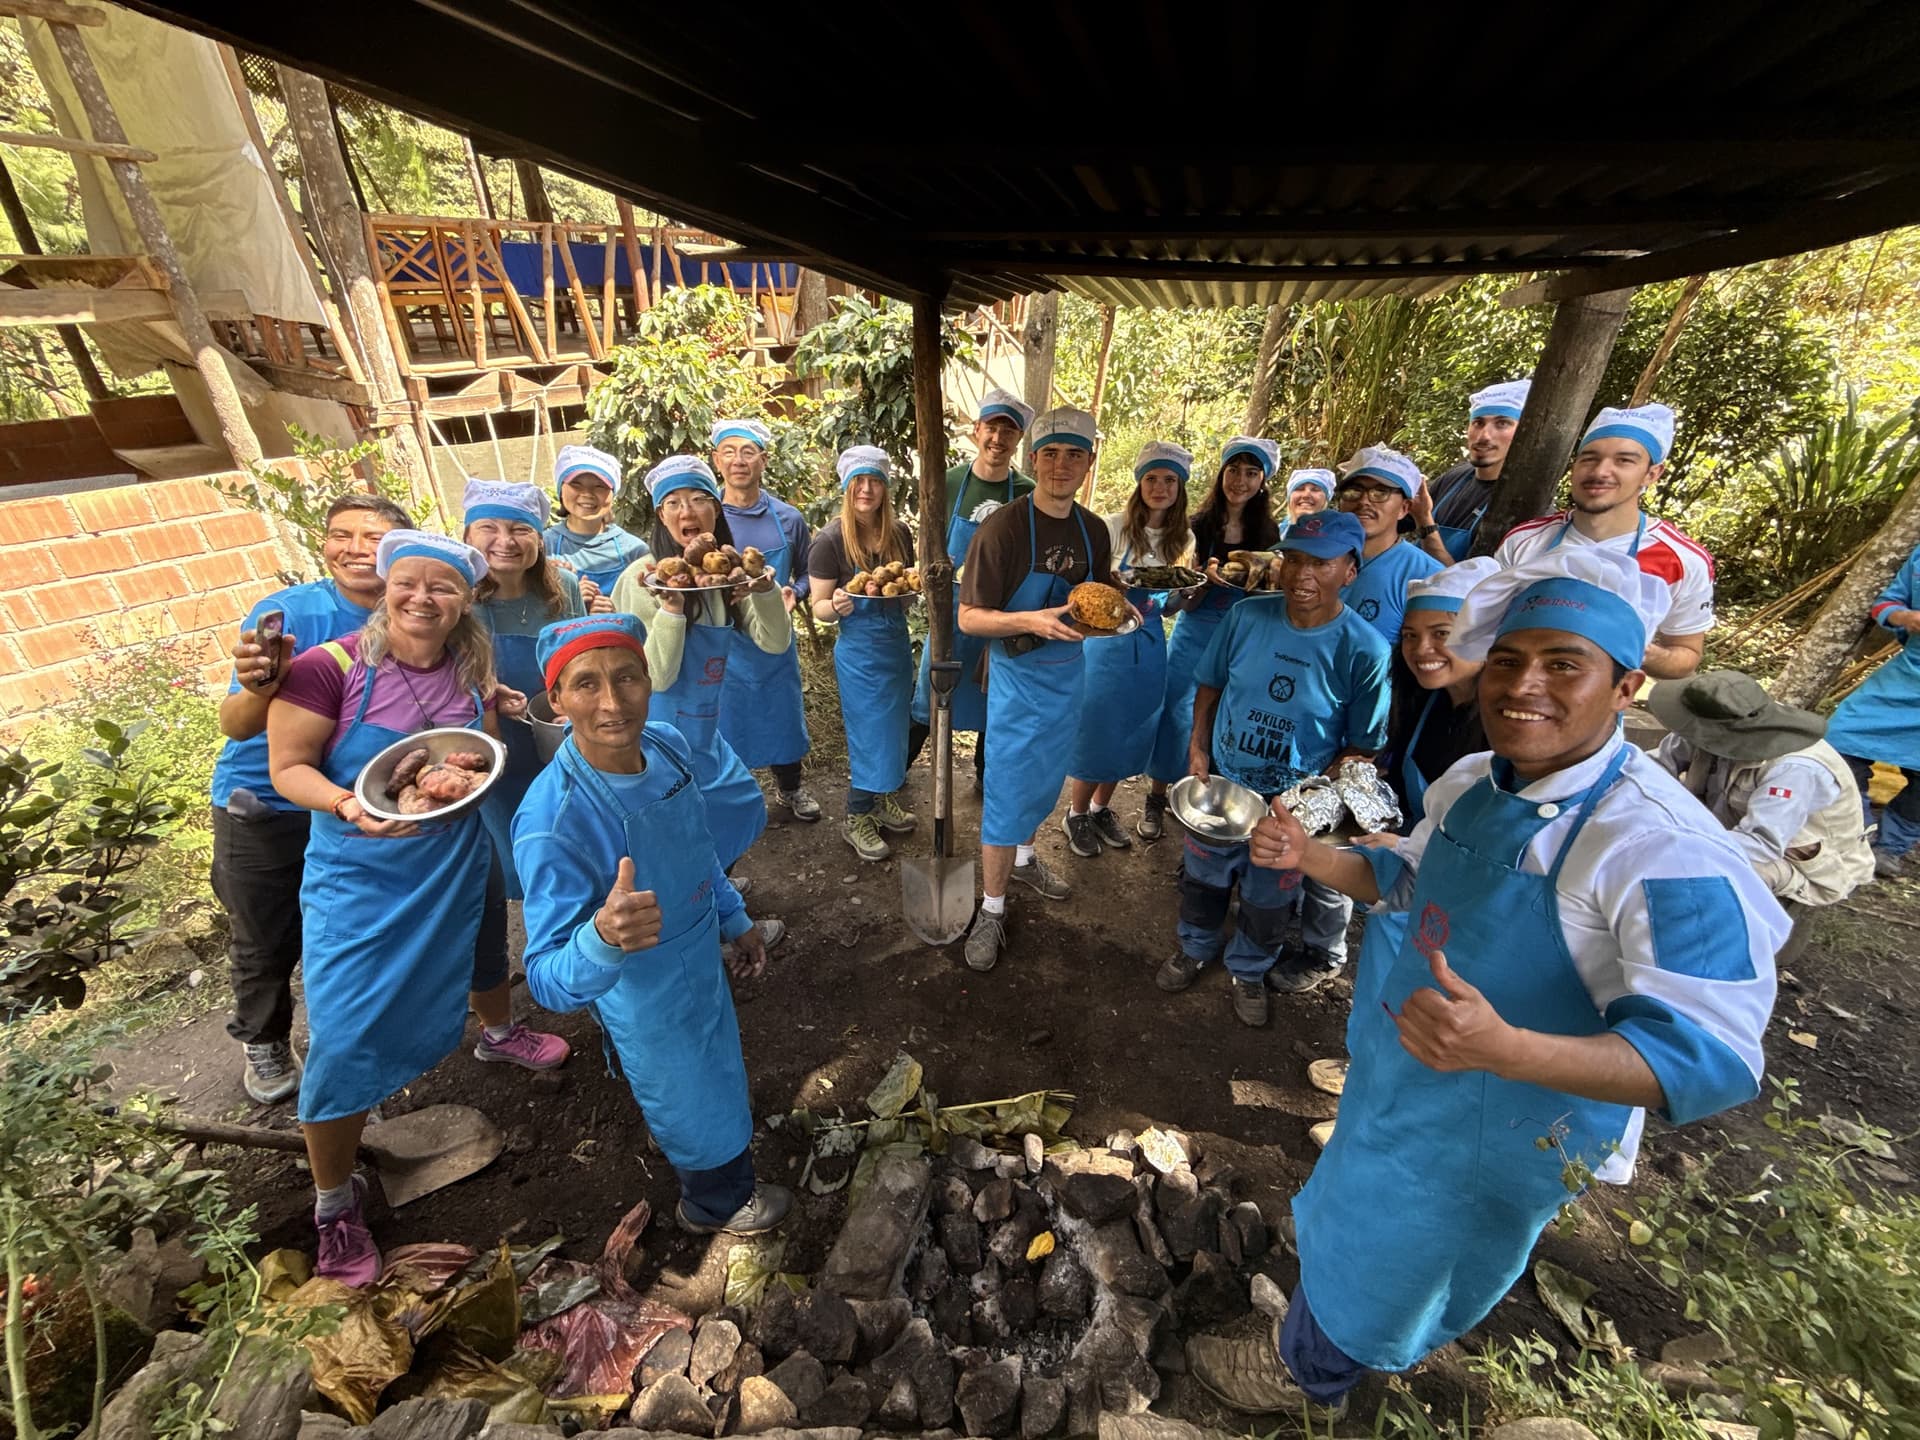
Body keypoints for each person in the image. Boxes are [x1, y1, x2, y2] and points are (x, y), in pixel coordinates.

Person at [1187, 546, 1783, 1420]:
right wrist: (1309, 855)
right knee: (1363, 1195)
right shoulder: (1474, 782)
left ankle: (1305, 1376)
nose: (1523, 684)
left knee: (1401, 1252)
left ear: (1626, 688)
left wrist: (1507, 1049)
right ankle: (1326, 1297)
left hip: (1500, 1124)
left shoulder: (1664, 851)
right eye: (1507, 659)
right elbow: (1406, 881)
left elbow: (1711, 1057)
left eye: (1564, 664)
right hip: (1409, 1069)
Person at [265, 531, 543, 1284]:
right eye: (408, 583)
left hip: (453, 854)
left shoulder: (470, 665)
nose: (423, 597)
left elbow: (481, 752)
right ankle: (333, 1203)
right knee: (345, 1033)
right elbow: (287, 766)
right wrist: (346, 805)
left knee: (485, 947)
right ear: (385, 587)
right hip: (360, 875)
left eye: (442, 586)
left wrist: (481, 755)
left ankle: (499, 1035)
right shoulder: (328, 668)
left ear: (465, 600)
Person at [515, 614, 793, 1235]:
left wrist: (733, 916)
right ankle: (715, 1205)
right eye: (586, 684)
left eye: (626, 677)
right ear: (556, 700)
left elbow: (697, 847)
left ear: (649, 680)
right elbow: (546, 978)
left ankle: (696, 1137)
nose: (613, 703)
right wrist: (602, 937)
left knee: (710, 1067)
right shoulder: (553, 822)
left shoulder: (666, 745)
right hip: (644, 991)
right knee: (684, 1088)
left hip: (698, 953)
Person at [1156, 510, 1390, 1027]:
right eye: (1294, 559)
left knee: (1268, 900)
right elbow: (1211, 683)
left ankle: (1249, 969)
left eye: (1322, 564)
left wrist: (1312, 800)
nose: (1303, 574)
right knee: (1203, 880)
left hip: (1290, 807)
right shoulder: (1246, 617)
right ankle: (1194, 947)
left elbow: (1362, 746)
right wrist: (1198, 747)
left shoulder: (1364, 650)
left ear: (1351, 571)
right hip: (1222, 787)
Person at [211, 492, 407, 1104]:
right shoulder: (290, 614)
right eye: (341, 535)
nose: (355, 549)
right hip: (266, 805)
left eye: (373, 537)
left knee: (354, 927)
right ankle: (264, 1038)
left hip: (356, 797)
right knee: (265, 936)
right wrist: (259, 686)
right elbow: (236, 724)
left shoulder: (413, 610)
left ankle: (354, 1039)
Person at [958, 406, 1124, 972]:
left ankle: (1026, 860)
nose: (1061, 465)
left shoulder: (1093, 530)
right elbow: (970, 618)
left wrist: (1126, 609)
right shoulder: (1003, 528)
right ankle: (991, 908)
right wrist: (1029, 620)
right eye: (1050, 454)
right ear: (1033, 460)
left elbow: (1097, 602)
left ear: (1089, 463)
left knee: (1047, 779)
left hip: (1067, 675)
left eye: (1074, 455)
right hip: (1018, 678)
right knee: (1007, 790)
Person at [609, 459, 782, 910]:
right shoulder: (643, 579)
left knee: (739, 803)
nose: (687, 511)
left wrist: (764, 591)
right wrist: (671, 608)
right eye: (673, 503)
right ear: (661, 516)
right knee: (678, 831)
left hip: (704, 728)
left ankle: (715, 887)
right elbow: (655, 676)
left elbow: (775, 642)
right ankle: (706, 914)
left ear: (716, 510)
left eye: (699, 499)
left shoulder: (724, 574)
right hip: (657, 733)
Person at [1494, 403, 1714, 679]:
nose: (1600, 472)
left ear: (1652, 474)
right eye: (1589, 458)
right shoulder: (1525, 540)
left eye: (1624, 460)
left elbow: (1686, 654)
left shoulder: (1682, 560)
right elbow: (1487, 621)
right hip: (1512, 687)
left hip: (1603, 700)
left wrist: (1636, 647)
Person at [1141, 437, 1283, 841]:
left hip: (1243, 634)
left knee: (1224, 715)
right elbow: (1179, 601)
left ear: (1263, 480)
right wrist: (1203, 580)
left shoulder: (1269, 532)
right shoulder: (1196, 526)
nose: (1240, 480)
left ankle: (1205, 795)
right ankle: (1157, 795)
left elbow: (1270, 595)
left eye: (1251, 473)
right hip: (1197, 628)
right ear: (1221, 473)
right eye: (1233, 470)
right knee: (1176, 712)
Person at [1063, 440, 1194, 857]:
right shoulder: (1112, 526)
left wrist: (1186, 595)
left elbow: (1168, 604)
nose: (1160, 488)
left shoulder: (1183, 538)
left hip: (1151, 644)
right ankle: (1076, 813)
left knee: (1131, 729)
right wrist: (1114, 586)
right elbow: (1086, 585)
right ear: (1139, 483)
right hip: (1107, 644)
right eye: (1151, 478)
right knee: (1099, 728)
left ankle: (1101, 808)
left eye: (1169, 480)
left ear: (1180, 487)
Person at [1650, 671, 1874, 907]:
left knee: (1706, 879)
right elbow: (1655, 768)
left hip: (1800, 864)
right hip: (1725, 832)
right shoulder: (1705, 725)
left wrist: (1674, 845)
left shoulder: (1795, 769)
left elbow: (1761, 844)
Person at [465, 478, 586, 904]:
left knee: (576, 844)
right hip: (495, 746)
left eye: (520, 529)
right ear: (467, 536)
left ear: (539, 538)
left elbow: (582, 660)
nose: (506, 541)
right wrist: (484, 699)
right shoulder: (458, 601)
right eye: (489, 528)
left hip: (562, 741)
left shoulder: (564, 589)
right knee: (520, 855)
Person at [910, 387, 1038, 786]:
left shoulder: (1027, 492)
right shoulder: (946, 482)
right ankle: (898, 770)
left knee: (992, 695)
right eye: (992, 428)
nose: (998, 439)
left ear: (1019, 439)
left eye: (1008, 431)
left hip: (999, 611)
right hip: (948, 609)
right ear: (977, 430)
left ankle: (985, 774)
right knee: (930, 693)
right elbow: (926, 542)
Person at [807, 445, 919, 861]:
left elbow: (906, 596)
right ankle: (856, 816)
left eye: (875, 481)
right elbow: (819, 608)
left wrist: (913, 586)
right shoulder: (830, 540)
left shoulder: (899, 533)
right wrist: (836, 605)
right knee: (870, 736)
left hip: (895, 647)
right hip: (860, 656)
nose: (867, 489)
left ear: (886, 487)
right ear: (846, 486)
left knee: (895, 731)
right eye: (859, 481)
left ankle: (882, 799)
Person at [710, 418, 819, 822]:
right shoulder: (708, 518)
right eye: (729, 452)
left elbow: (808, 573)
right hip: (726, 640)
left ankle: (791, 788)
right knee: (730, 720)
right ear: (716, 461)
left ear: (764, 460)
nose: (739, 461)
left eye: (748, 452)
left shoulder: (788, 518)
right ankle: (736, 797)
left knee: (782, 713)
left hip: (775, 634)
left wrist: (795, 592)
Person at [1374, 558, 1501, 829]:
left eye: (1441, 633)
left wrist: (1413, 846)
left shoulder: (1508, 726)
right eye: (1410, 635)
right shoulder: (1421, 701)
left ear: (1488, 638)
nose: (1421, 649)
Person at [1823, 541, 1920, 878]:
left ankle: (1891, 847)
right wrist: (1904, 617)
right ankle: (1858, 831)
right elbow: (1884, 604)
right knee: (1839, 739)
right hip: (1907, 675)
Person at [1411, 379, 1532, 563]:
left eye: (1502, 423)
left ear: (1523, 432)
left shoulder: (1523, 505)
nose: (1484, 436)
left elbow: (1467, 580)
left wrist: (1425, 523)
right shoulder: (1455, 477)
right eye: (1478, 423)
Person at [1334, 445, 1443, 646]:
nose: (1364, 501)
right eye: (1354, 490)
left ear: (1404, 508)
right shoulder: (1314, 557)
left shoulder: (1427, 576)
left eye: (1380, 492)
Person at [542, 444, 650, 592]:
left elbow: (646, 602)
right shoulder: (542, 546)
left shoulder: (634, 550)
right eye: (576, 484)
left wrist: (614, 606)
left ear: (613, 494)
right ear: (561, 489)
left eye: (599, 486)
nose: (587, 494)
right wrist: (571, 598)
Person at [1278, 469, 1334, 537]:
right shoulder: (1275, 534)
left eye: (1315, 490)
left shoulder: (1337, 536)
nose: (1306, 495)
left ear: (1326, 500)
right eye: (1299, 489)